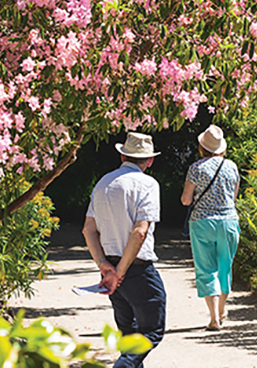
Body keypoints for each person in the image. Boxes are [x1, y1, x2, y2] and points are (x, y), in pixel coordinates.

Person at [82, 132, 166, 368]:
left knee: (129, 336)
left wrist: (104, 265)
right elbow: (140, 232)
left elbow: (88, 230)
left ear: (122, 156)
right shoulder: (148, 184)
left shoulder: (103, 183)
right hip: (136, 269)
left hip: (109, 267)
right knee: (152, 331)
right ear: (150, 160)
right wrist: (120, 271)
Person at [180, 125, 240, 331]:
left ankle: (214, 318)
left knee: (206, 269)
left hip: (203, 222)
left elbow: (186, 200)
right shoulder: (232, 166)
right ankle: (223, 311)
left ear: (201, 147)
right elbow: (233, 197)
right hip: (229, 221)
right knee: (225, 266)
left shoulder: (196, 168)